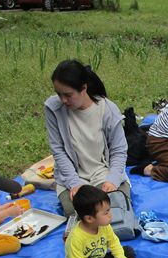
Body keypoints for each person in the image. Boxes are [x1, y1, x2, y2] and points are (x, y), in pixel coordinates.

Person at [44, 59, 130, 217]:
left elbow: (119, 150)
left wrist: (112, 180)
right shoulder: (54, 108)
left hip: (103, 172)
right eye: (59, 94)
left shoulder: (107, 110)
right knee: (78, 214)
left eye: (68, 95)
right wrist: (74, 183)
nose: (63, 100)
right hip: (74, 176)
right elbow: (58, 151)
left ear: (84, 88)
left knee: (116, 208)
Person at [60, 185, 138, 258]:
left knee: (127, 250)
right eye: (106, 213)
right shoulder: (75, 237)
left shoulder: (104, 226)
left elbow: (114, 244)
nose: (110, 215)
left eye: (109, 210)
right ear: (89, 218)